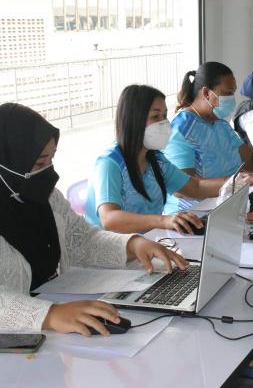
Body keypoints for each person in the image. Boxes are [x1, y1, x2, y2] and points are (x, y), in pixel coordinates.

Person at [0, 103, 188, 336]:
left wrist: (132, 244)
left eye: (51, 159)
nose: (49, 171)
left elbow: (82, 239)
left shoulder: (45, 196)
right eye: (39, 163)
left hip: (56, 317)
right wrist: (49, 315)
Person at [85, 85, 253, 234]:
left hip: (148, 242)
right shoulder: (110, 164)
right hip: (110, 252)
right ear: (133, 120)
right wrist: (163, 220)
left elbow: (194, 187)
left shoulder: (156, 160)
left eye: (164, 116)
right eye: (155, 117)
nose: (164, 123)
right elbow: (109, 219)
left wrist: (233, 183)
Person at [163, 61, 253, 213]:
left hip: (229, 204)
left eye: (233, 92)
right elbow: (182, 188)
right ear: (206, 93)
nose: (232, 98)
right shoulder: (181, 129)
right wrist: (231, 183)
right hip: (192, 215)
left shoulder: (220, 124)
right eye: (227, 93)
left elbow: (252, 159)